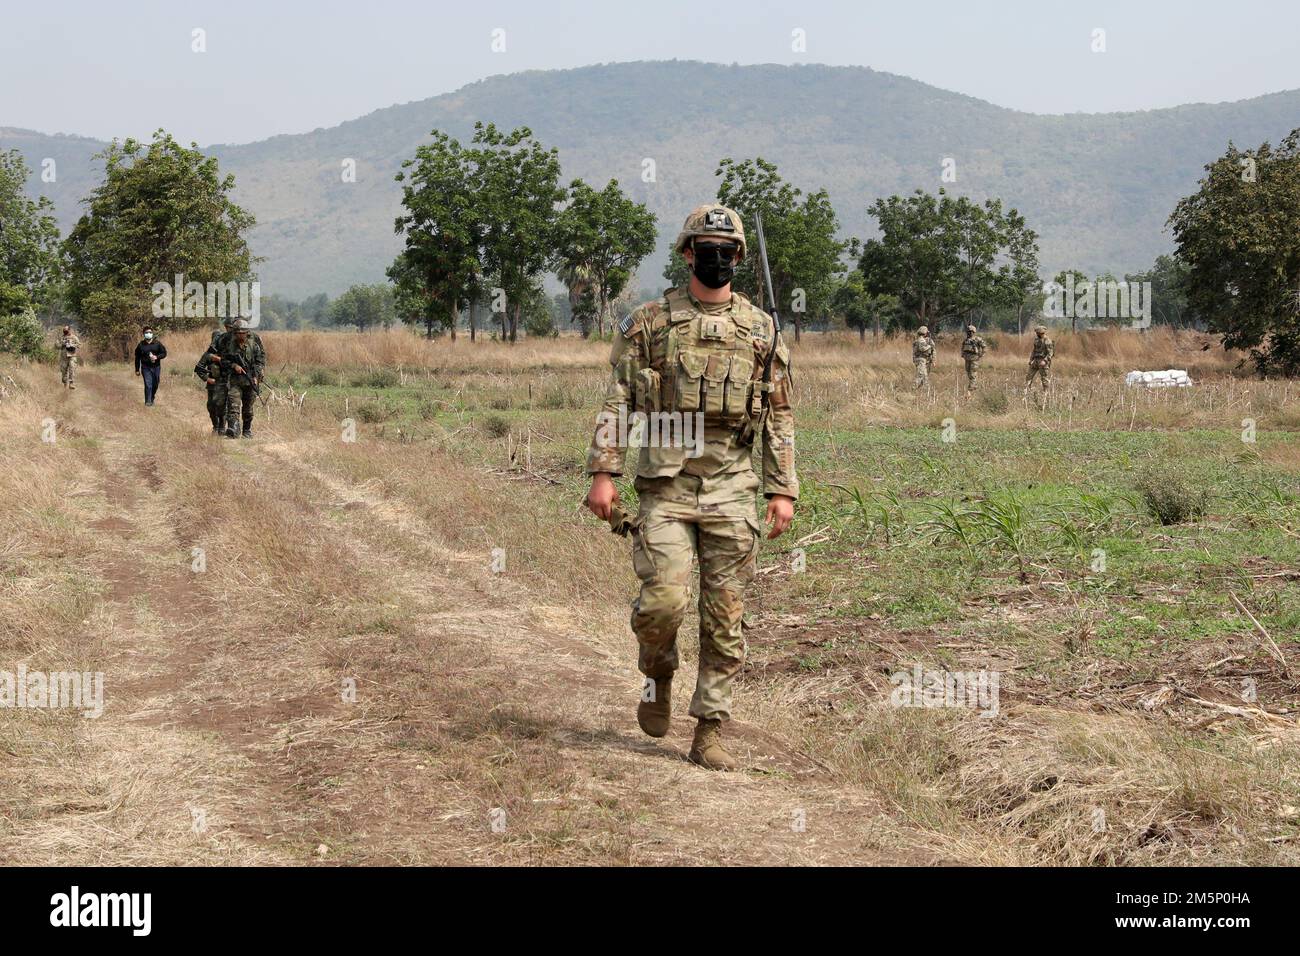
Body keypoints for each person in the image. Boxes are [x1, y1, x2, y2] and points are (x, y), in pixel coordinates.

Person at [584, 203, 798, 772]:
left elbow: (779, 415)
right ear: (686, 254)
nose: (716, 258)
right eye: (706, 249)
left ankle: (710, 730)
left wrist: (782, 489)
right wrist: (603, 472)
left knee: (724, 616)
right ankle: (657, 676)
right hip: (666, 484)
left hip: (733, 484)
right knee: (663, 603)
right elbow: (618, 400)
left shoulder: (761, 329)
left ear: (739, 258)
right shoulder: (651, 323)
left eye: (726, 251)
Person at [220, 319, 263, 438]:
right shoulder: (229, 345)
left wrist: (256, 375)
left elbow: (260, 362)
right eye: (237, 333)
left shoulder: (253, 346)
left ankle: (247, 431)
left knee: (248, 408)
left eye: (242, 333)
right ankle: (233, 429)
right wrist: (234, 366)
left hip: (250, 381)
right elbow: (223, 360)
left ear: (247, 333)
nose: (240, 335)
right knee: (233, 406)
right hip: (235, 380)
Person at [133, 326, 167, 406]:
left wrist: (157, 357)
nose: (149, 334)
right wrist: (137, 369)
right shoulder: (141, 345)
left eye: (150, 332)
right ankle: (148, 401)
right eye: (147, 332)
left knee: (155, 384)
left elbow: (164, 353)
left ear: (152, 334)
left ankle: (151, 398)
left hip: (156, 367)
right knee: (148, 384)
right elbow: (137, 358)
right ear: (144, 334)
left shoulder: (157, 343)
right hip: (145, 367)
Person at [1025, 325, 1054, 405]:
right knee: (1028, 377)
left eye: (1037, 332)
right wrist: (1031, 359)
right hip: (1035, 361)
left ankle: (1046, 395)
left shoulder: (1048, 341)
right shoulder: (1036, 340)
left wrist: (1045, 361)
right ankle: (1027, 393)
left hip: (1043, 362)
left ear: (1041, 333)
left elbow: (1050, 353)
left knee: (1044, 379)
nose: (1036, 334)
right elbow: (1034, 350)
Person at [961, 324, 987, 392]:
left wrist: (982, 354)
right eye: (968, 331)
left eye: (971, 331)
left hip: (974, 359)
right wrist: (963, 354)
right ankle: (974, 386)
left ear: (974, 332)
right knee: (968, 372)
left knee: (973, 373)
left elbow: (984, 346)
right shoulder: (966, 340)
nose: (969, 333)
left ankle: (971, 387)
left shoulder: (977, 339)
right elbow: (963, 347)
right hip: (967, 359)